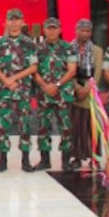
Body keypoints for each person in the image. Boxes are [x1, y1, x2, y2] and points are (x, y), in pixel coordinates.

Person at [0, 9, 38, 172]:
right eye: (10, 20)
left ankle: (25, 161)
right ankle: (2, 160)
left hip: (22, 90)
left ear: (22, 22)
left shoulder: (29, 43)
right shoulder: (0, 44)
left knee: (24, 125)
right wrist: (6, 80)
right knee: (2, 126)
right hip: (5, 91)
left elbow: (33, 67)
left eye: (17, 19)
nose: (13, 23)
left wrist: (14, 78)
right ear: (6, 22)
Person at [33, 18, 77, 171]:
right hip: (44, 94)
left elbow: (72, 70)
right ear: (44, 30)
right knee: (43, 127)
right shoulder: (37, 48)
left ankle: (66, 161)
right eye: (48, 28)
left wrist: (57, 84)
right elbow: (34, 70)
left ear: (59, 29)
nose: (51, 31)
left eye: (54, 28)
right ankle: (45, 160)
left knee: (66, 128)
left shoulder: (69, 48)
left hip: (63, 94)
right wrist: (45, 86)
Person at [69, 19, 104, 170]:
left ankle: (94, 158)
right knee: (75, 127)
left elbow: (97, 73)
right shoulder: (69, 48)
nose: (85, 33)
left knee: (91, 128)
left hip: (90, 93)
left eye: (88, 31)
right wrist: (77, 88)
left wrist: (88, 88)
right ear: (76, 31)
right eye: (82, 30)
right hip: (73, 92)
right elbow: (68, 72)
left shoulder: (97, 50)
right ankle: (76, 157)